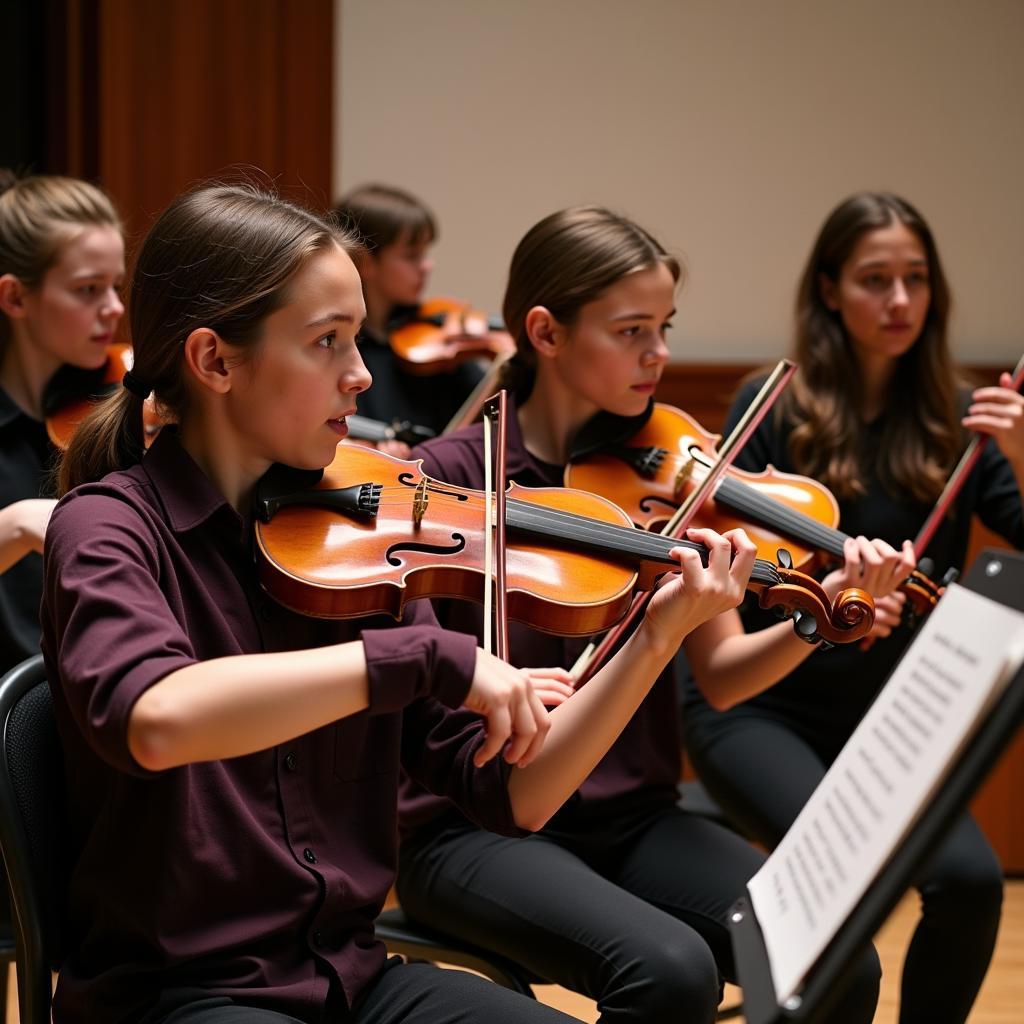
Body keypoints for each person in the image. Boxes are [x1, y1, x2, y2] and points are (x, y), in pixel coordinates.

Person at [42, 182, 756, 1024]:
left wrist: (657, 638)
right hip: (182, 997)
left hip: (351, 978)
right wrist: (419, 661)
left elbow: (516, 797)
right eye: (327, 343)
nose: (362, 374)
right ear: (216, 361)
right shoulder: (106, 526)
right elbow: (155, 719)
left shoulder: (360, 537)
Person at [396, 206, 884, 1024]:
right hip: (472, 831)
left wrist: (813, 619)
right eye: (631, 331)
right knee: (668, 972)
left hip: (631, 819)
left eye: (664, 327)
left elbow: (723, 676)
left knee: (838, 955)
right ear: (546, 333)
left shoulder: (669, 475)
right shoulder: (446, 485)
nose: (659, 354)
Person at [683, 191, 1023, 1024]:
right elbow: (737, 557)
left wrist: (1018, 452)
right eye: (876, 280)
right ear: (831, 290)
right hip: (763, 704)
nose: (901, 301)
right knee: (844, 884)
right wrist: (828, 599)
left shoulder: (958, 416)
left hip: (883, 709)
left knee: (974, 883)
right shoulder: (773, 405)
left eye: (916, 279)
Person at [0, 170, 125, 675]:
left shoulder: (122, 404)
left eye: (116, 285)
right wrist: (15, 524)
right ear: (15, 298)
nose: (114, 308)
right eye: (88, 289)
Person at [333, 183, 498, 449]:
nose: (427, 266)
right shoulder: (339, 349)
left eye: (425, 253)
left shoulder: (437, 344)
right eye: (411, 256)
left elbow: (486, 415)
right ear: (364, 261)